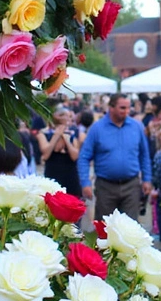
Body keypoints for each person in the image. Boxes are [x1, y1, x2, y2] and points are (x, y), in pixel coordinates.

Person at [77, 94, 152, 222]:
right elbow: (84, 157)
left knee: (130, 227)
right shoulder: (97, 128)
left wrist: (147, 179)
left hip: (131, 185)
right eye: (122, 108)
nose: (127, 111)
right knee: (104, 228)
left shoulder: (136, 127)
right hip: (106, 186)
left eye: (129, 108)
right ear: (111, 107)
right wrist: (85, 183)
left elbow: (144, 155)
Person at [40, 107, 81, 196]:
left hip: (70, 175)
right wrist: (56, 135)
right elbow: (45, 155)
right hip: (52, 173)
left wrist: (66, 140)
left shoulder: (73, 133)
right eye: (67, 116)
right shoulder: (44, 134)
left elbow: (75, 156)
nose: (69, 119)